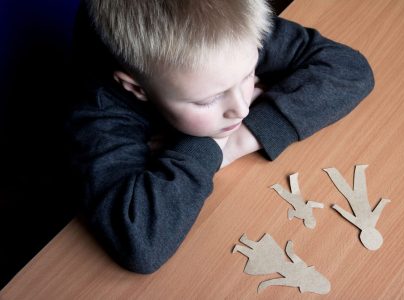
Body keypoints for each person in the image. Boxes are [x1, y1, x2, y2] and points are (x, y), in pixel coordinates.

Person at [67, 0, 374, 274]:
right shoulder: (98, 112)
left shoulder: (227, 31)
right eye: (206, 100)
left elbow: (349, 69)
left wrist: (240, 140)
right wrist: (208, 145)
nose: (241, 108)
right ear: (135, 88)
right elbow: (141, 242)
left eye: (248, 76)